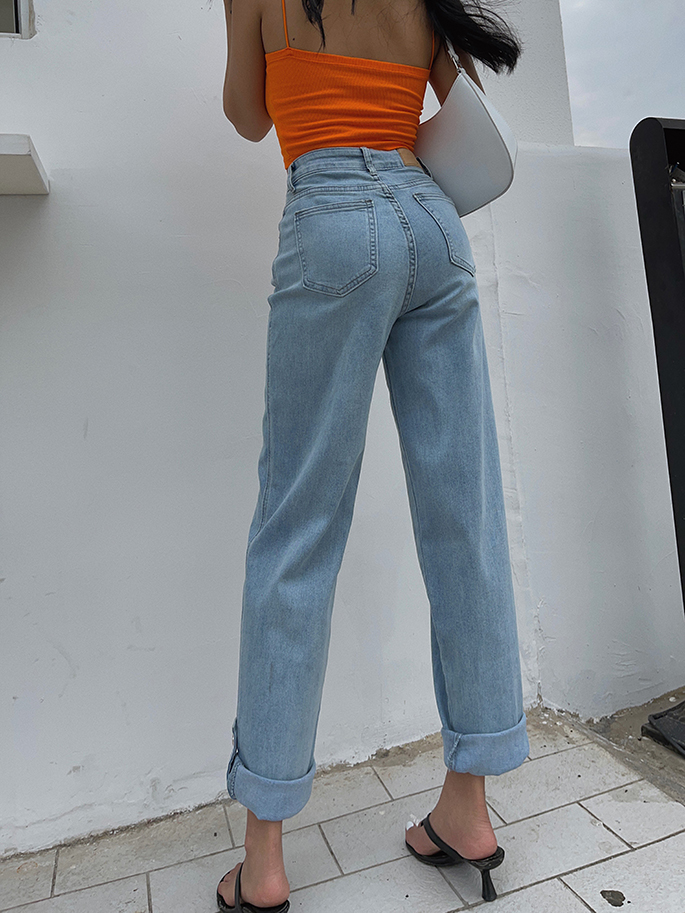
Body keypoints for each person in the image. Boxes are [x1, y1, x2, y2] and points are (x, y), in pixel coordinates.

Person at [216, 0, 528, 909]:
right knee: (463, 515)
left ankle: (264, 860)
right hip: (432, 221)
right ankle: (467, 806)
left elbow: (247, 115)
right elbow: (462, 104)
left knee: (296, 528)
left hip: (331, 217)